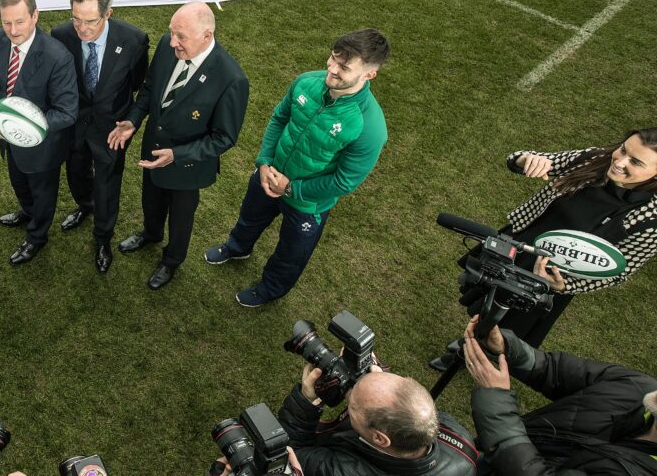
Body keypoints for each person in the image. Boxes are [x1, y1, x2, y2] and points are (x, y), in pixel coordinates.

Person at [429, 128, 657, 370]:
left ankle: (470, 353)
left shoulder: (651, 221)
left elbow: (618, 271)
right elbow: (521, 159)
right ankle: (470, 342)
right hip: (519, 244)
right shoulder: (594, 158)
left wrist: (563, 286)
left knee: (506, 324)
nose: (619, 161)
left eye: (635, 162)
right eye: (623, 149)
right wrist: (525, 160)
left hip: (548, 275)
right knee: (486, 301)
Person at [205, 29, 389, 306]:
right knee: (249, 218)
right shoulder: (306, 81)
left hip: (307, 204)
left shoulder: (370, 127)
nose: (332, 69)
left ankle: (269, 289)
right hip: (268, 175)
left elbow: (344, 181)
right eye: (333, 58)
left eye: (344, 67)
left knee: (291, 253)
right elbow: (279, 118)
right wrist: (264, 162)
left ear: (370, 74)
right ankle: (237, 248)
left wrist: (291, 188)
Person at [107, 1, 249, 289]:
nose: (172, 42)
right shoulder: (166, 45)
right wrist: (133, 120)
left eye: (181, 36)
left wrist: (176, 155)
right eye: (172, 33)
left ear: (206, 36)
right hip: (153, 152)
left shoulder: (231, 79)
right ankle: (151, 233)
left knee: (181, 219)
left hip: (187, 167)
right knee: (150, 198)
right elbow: (150, 89)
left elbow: (224, 137)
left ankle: (172, 260)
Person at [462, 316, 657, 475]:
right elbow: (553, 369)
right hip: (491, 460)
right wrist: (507, 347)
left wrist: (497, 403)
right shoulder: (642, 387)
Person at [0, 0, 78, 266]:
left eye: (19, 22)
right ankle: (27, 212)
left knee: (42, 194)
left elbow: (67, 112)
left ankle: (37, 236)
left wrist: (22, 123)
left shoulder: (58, 57)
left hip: (43, 148)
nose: (13, 30)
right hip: (9, 141)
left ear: (35, 15)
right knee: (19, 182)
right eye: (6, 22)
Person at [49, 0, 150, 273]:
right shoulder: (60, 35)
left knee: (107, 184)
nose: (82, 29)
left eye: (90, 21)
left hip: (112, 129)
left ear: (108, 13)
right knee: (76, 171)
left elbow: (139, 85)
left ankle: (103, 238)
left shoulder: (134, 40)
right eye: (76, 19)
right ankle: (85, 205)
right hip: (74, 123)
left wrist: (131, 121)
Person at [277, 360, 478, 475]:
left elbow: (291, 452)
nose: (346, 392)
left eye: (353, 404)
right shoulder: (460, 442)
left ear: (380, 438)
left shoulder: (340, 471)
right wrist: (377, 381)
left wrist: (305, 402)